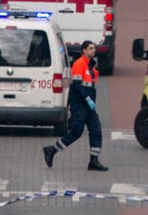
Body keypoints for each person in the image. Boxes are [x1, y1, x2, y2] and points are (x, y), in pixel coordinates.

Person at [43, 41, 108, 171]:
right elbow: (77, 86)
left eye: (94, 48)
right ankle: (51, 150)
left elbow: (91, 87)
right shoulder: (80, 64)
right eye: (90, 48)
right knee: (76, 132)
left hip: (88, 106)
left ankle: (93, 161)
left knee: (96, 130)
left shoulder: (91, 66)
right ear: (84, 50)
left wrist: (91, 102)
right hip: (80, 104)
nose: (93, 50)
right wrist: (88, 99)